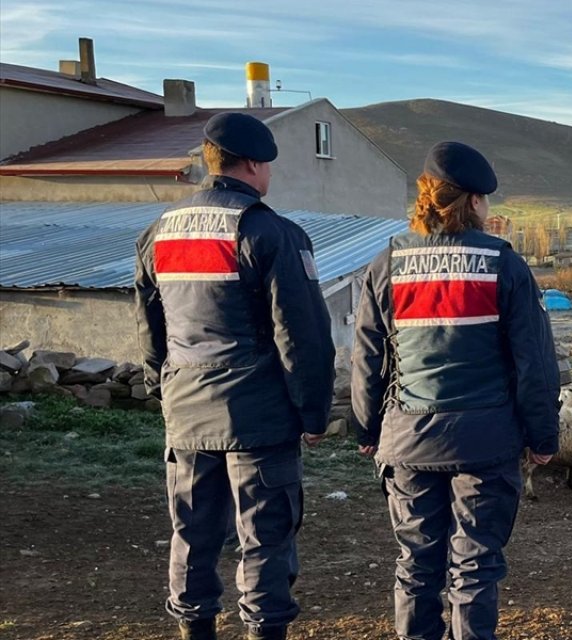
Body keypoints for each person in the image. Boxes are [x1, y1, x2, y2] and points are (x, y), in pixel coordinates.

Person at [134, 112, 336, 640]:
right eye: (268, 166)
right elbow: (303, 336)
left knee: (193, 534)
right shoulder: (272, 232)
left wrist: (168, 390)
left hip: (186, 413)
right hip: (260, 418)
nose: (269, 176)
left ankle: (194, 630)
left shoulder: (158, 233)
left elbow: (150, 329)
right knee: (265, 539)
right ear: (251, 164)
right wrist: (313, 413)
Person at [351, 141, 560, 640]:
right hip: (487, 444)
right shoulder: (504, 265)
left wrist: (366, 427)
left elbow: (366, 355)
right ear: (474, 202)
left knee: (417, 565)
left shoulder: (389, 264)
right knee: (475, 566)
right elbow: (534, 360)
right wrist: (543, 436)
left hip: (408, 440)